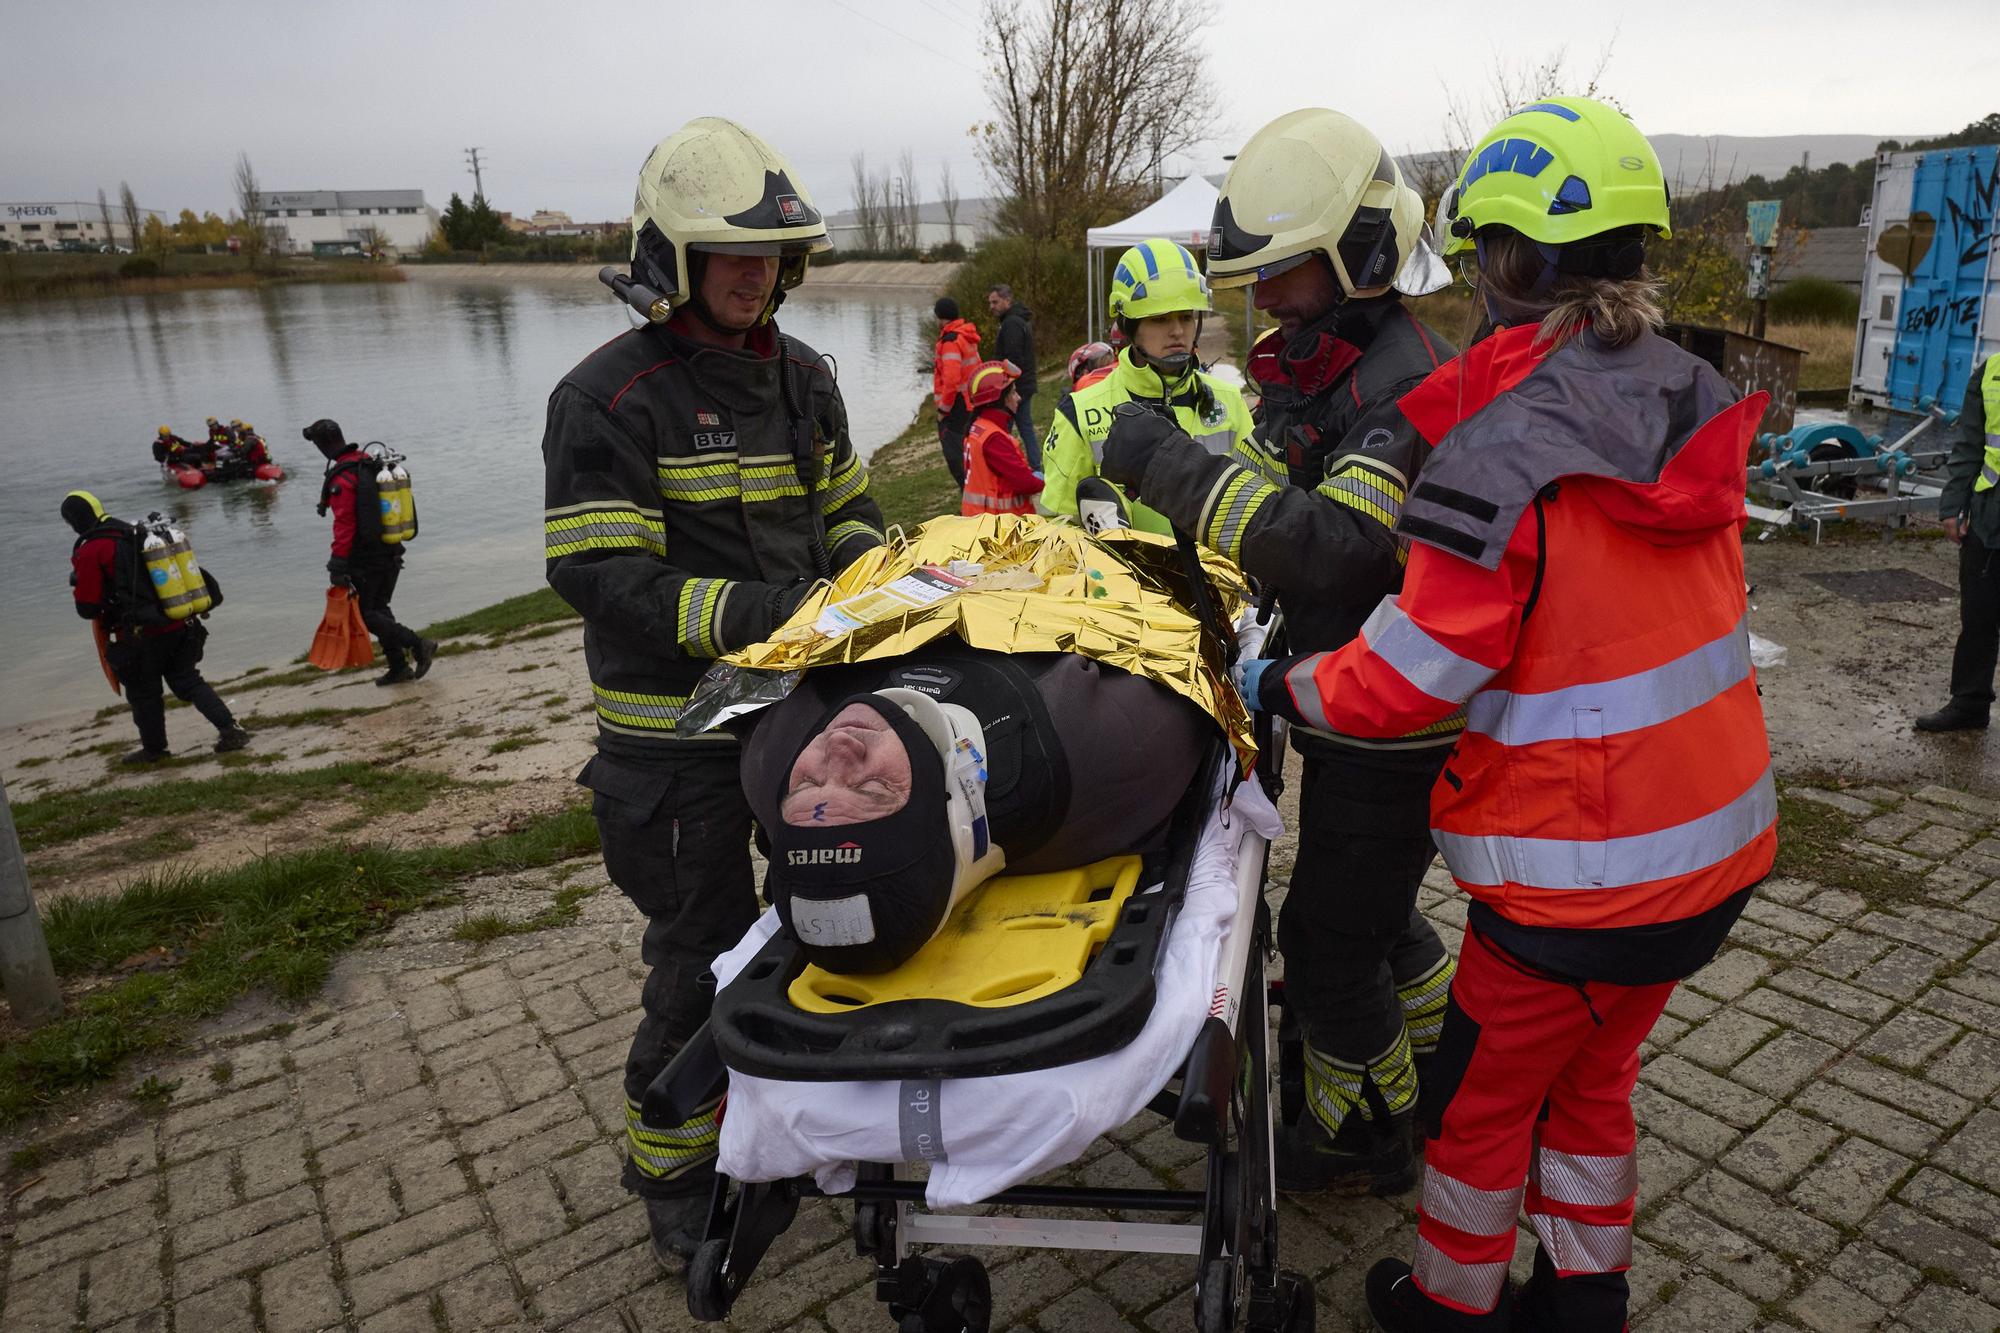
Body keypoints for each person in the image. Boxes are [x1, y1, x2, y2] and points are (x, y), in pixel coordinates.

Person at [1236, 96, 1775, 1333]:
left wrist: (1280, 684)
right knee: (1591, 1088)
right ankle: (1584, 1299)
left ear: (1506, 261)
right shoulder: (1681, 388)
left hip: (1573, 882)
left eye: (1487, 253)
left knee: (1476, 1118)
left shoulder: (1501, 450)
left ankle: (1445, 1308)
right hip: (1707, 856)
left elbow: (1407, 680)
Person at [540, 115, 886, 1267]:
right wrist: (754, 619)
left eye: (769, 257)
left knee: (820, 929)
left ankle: (786, 1133)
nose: (753, 276)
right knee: (699, 959)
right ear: (669, 260)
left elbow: (845, 504)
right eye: (727, 255)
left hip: (794, 724)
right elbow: (600, 575)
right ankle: (673, 1171)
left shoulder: (802, 376)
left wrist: (865, 569)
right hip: (671, 750)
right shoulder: (605, 397)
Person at [1095, 109, 1458, 1197]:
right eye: (1256, 277)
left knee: (1328, 936)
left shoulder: (1402, 381)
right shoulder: (1327, 360)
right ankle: (1430, 1063)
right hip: (1349, 688)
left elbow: (1340, 552)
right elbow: (1271, 490)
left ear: (1359, 253)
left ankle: (1364, 1133)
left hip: (1396, 713)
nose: (1269, 299)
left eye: (1287, 274)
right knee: (1376, 909)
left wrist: (1166, 467)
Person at [741, 640, 1211, 973]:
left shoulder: (770, 762)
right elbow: (1186, 661)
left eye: (806, 784)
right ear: (952, 818)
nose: (839, 749)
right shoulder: (1099, 751)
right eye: (873, 788)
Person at [1041, 238, 1255, 537]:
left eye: (1186, 317)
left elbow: (1255, 507)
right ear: (1128, 325)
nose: (1178, 331)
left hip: (1220, 578)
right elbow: (1058, 526)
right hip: (1126, 581)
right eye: (1160, 319)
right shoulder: (1079, 413)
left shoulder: (1228, 401)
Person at [62, 490, 249, 762]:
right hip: (180, 621)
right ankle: (230, 729)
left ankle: (154, 750)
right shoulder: (138, 534)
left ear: (75, 520)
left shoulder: (92, 549)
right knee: (188, 680)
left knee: (143, 694)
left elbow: (86, 607)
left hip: (140, 637)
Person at [305, 419, 436, 685]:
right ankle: (398, 666)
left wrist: (337, 564)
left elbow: (344, 523)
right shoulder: (366, 462)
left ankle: (418, 644)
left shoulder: (343, 476)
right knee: (379, 608)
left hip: (366, 558)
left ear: (321, 445)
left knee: (367, 614)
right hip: (391, 548)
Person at [1916, 351, 2000, 732]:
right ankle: (1969, 703)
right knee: (1978, 617)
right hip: (1989, 517)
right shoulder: (1991, 371)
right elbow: (1969, 443)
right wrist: (1953, 505)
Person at [959, 360, 1042, 517]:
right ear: (998, 398)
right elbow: (1026, 484)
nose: (1018, 398)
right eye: (1013, 393)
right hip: (1000, 527)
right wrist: (1046, 481)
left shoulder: (979, 427)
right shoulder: (994, 438)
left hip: (980, 520)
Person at [987, 283, 1040, 468]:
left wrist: (1007, 387)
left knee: (1005, 428)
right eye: (990, 303)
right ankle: (1034, 465)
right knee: (1024, 427)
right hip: (1021, 384)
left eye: (995, 302)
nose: (991, 307)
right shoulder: (1015, 320)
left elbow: (1013, 358)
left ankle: (1006, 464)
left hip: (1015, 387)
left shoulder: (1011, 324)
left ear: (1007, 300)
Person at [932, 297, 982, 487]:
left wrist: (943, 410)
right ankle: (974, 491)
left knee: (956, 457)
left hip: (956, 408)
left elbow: (951, 381)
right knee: (968, 452)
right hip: (970, 401)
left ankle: (969, 495)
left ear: (941, 318)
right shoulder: (965, 336)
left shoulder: (950, 341)